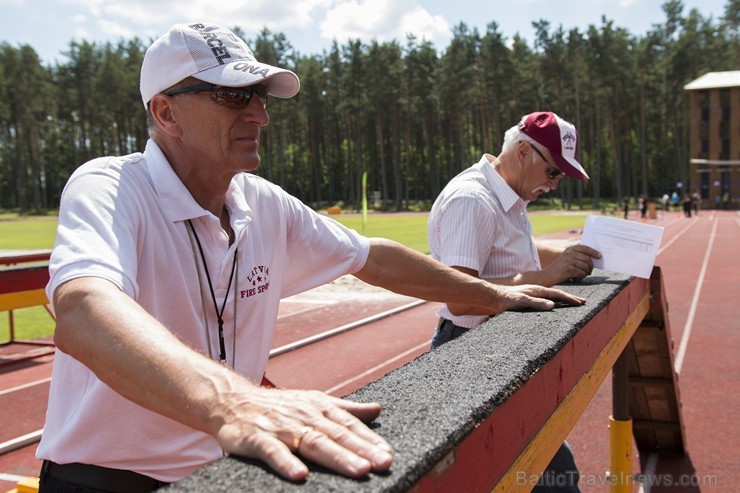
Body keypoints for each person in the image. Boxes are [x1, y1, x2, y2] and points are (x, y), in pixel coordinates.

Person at [36, 23, 584, 493]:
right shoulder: (110, 185)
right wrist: (232, 401)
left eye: (261, 97)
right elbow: (83, 310)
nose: (259, 115)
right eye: (233, 96)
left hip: (228, 469)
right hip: (104, 478)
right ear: (166, 112)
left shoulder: (261, 202)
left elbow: (376, 258)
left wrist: (497, 294)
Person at [427, 111, 602, 492]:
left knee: (541, 472)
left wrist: (565, 255)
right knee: (549, 477)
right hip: (469, 354)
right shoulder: (472, 200)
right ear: (524, 152)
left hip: (495, 351)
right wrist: (547, 277)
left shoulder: (507, 192)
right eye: (554, 172)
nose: (554, 185)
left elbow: (512, 251)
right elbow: (460, 297)